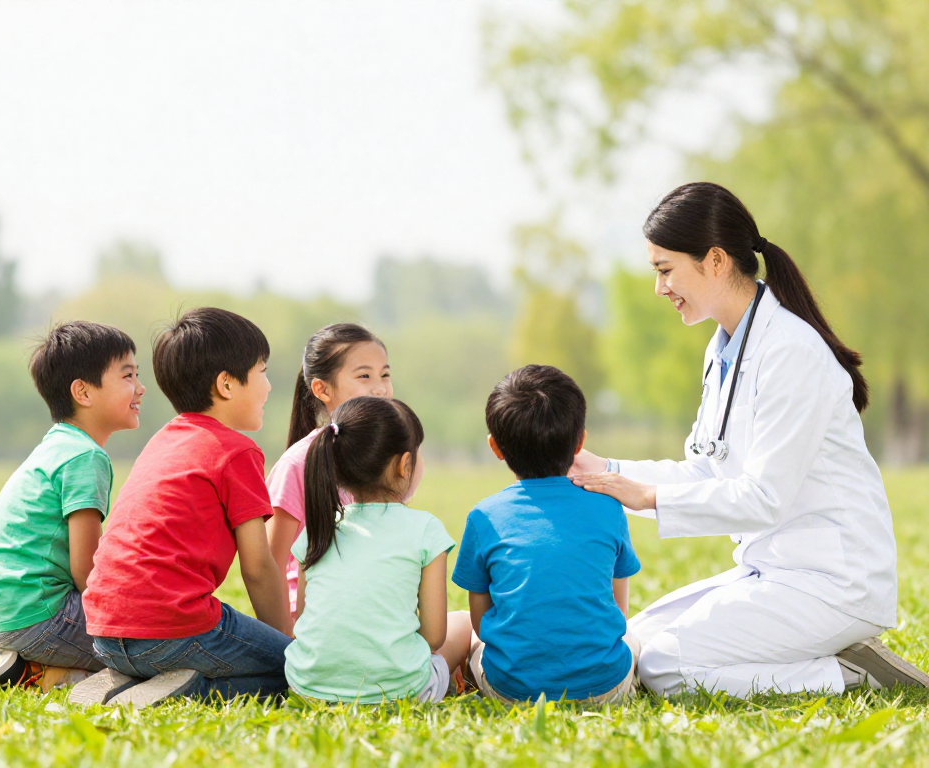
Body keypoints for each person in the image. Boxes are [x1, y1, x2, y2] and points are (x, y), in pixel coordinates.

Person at [573, 182, 929, 697]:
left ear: (715, 261)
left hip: (833, 581)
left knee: (665, 668)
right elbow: (704, 470)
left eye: (665, 270)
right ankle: (825, 656)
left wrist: (645, 495)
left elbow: (763, 498)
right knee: (631, 645)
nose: (660, 288)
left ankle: (846, 675)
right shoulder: (724, 352)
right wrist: (602, 471)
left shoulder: (789, 352)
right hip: (775, 571)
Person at [69, 307, 290, 709]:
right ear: (226, 384)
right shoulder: (237, 451)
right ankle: (187, 692)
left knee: (248, 656)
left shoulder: (163, 440)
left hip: (104, 632)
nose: (270, 386)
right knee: (298, 675)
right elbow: (258, 568)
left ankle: (124, 685)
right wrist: (289, 650)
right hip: (171, 627)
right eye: (262, 371)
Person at [0, 321, 144, 695]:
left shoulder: (58, 446)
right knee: (155, 642)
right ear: (83, 392)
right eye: (128, 375)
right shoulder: (86, 457)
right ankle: (43, 674)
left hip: (0, 615)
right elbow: (87, 574)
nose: (140, 388)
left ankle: (30, 668)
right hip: (43, 617)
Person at [452, 365, 641, 703]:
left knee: (470, 639)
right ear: (580, 441)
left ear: (495, 447)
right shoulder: (608, 508)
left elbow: (480, 622)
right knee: (636, 640)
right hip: (604, 689)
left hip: (512, 691)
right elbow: (619, 610)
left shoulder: (484, 516)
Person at [284, 396, 472, 704]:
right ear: (404, 465)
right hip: (404, 693)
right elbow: (434, 637)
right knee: (462, 625)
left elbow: (303, 618)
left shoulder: (318, 529)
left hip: (307, 688)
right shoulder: (425, 529)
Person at [265, 323, 391, 630]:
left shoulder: (388, 458)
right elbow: (270, 563)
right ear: (322, 389)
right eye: (364, 376)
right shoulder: (298, 464)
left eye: (385, 374)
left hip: (368, 613)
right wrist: (284, 642)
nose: (380, 387)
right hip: (310, 623)